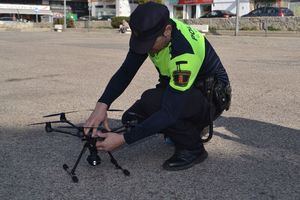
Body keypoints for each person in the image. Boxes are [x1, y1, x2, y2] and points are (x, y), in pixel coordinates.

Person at [84, 2, 231, 171]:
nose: (146, 49)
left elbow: (170, 111)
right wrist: (102, 104)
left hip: (210, 97)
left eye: (148, 44)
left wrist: (124, 139)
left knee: (154, 104)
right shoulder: (153, 30)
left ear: (167, 31)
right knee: (132, 118)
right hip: (185, 89)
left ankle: (193, 148)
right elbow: (126, 71)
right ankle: (186, 127)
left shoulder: (184, 54)